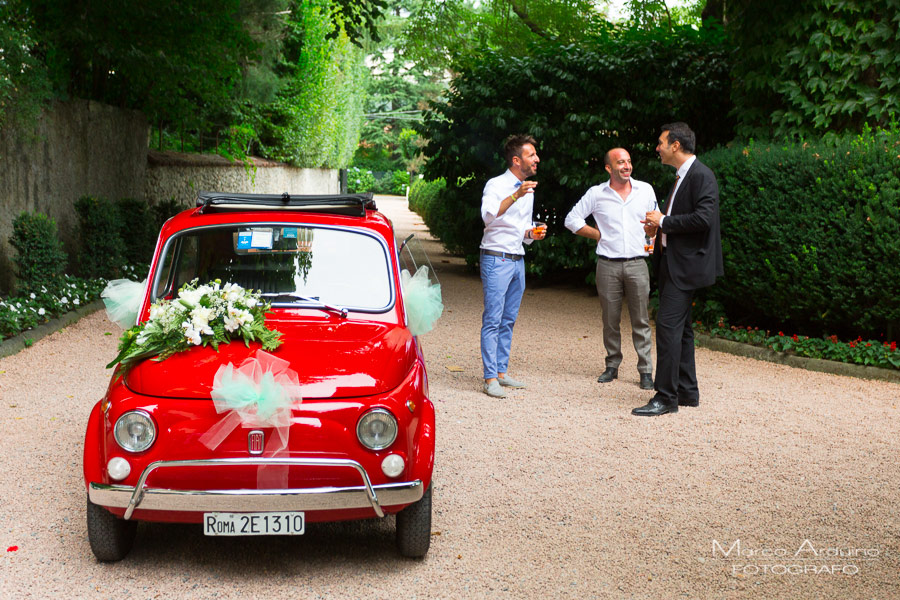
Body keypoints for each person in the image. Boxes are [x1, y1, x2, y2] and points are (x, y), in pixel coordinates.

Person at [634, 122, 723, 416]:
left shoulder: (701, 175)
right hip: (675, 262)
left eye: (660, 143)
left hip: (686, 266)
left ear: (675, 145)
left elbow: (704, 219)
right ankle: (687, 391)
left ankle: (665, 397)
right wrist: (659, 228)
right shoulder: (684, 176)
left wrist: (664, 222)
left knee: (668, 328)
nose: (657, 148)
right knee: (682, 330)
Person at [564, 148, 656, 390]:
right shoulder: (597, 194)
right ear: (608, 168)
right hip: (607, 264)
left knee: (641, 320)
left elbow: (654, 221)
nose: (626, 166)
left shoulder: (645, 190)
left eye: (628, 161)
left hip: (638, 263)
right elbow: (571, 220)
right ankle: (612, 365)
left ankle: (646, 370)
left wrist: (653, 237)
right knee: (610, 320)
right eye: (620, 162)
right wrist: (597, 234)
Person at [480, 134, 546, 398]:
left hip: (517, 258)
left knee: (508, 320)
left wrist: (532, 234)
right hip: (496, 258)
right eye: (532, 155)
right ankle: (489, 379)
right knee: (493, 320)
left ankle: (501, 373)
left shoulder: (526, 189)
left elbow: (519, 231)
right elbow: (488, 216)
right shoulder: (496, 185)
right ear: (517, 160)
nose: (537, 159)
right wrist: (516, 195)